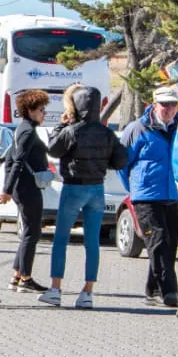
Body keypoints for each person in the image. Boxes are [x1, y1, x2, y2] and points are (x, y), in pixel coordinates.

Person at [40, 86, 128, 309]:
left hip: (73, 187)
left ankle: (56, 288)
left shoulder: (72, 130)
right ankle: (87, 291)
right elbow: (120, 161)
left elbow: (53, 149)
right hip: (96, 188)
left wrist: (62, 124)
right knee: (92, 243)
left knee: (61, 239)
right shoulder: (107, 133)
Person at [118, 85, 178, 310]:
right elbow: (121, 163)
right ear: (154, 105)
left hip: (172, 195)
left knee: (169, 244)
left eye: (173, 105)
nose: (169, 109)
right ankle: (169, 291)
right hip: (146, 196)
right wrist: (135, 189)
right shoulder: (138, 129)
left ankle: (152, 291)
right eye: (164, 104)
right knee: (158, 241)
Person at [0, 89, 51, 294]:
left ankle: (17, 275)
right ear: (29, 110)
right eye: (40, 109)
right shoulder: (27, 131)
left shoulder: (23, 128)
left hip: (24, 187)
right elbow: (17, 161)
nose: (44, 113)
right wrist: (7, 189)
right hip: (27, 187)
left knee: (30, 231)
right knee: (32, 232)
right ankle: (26, 278)